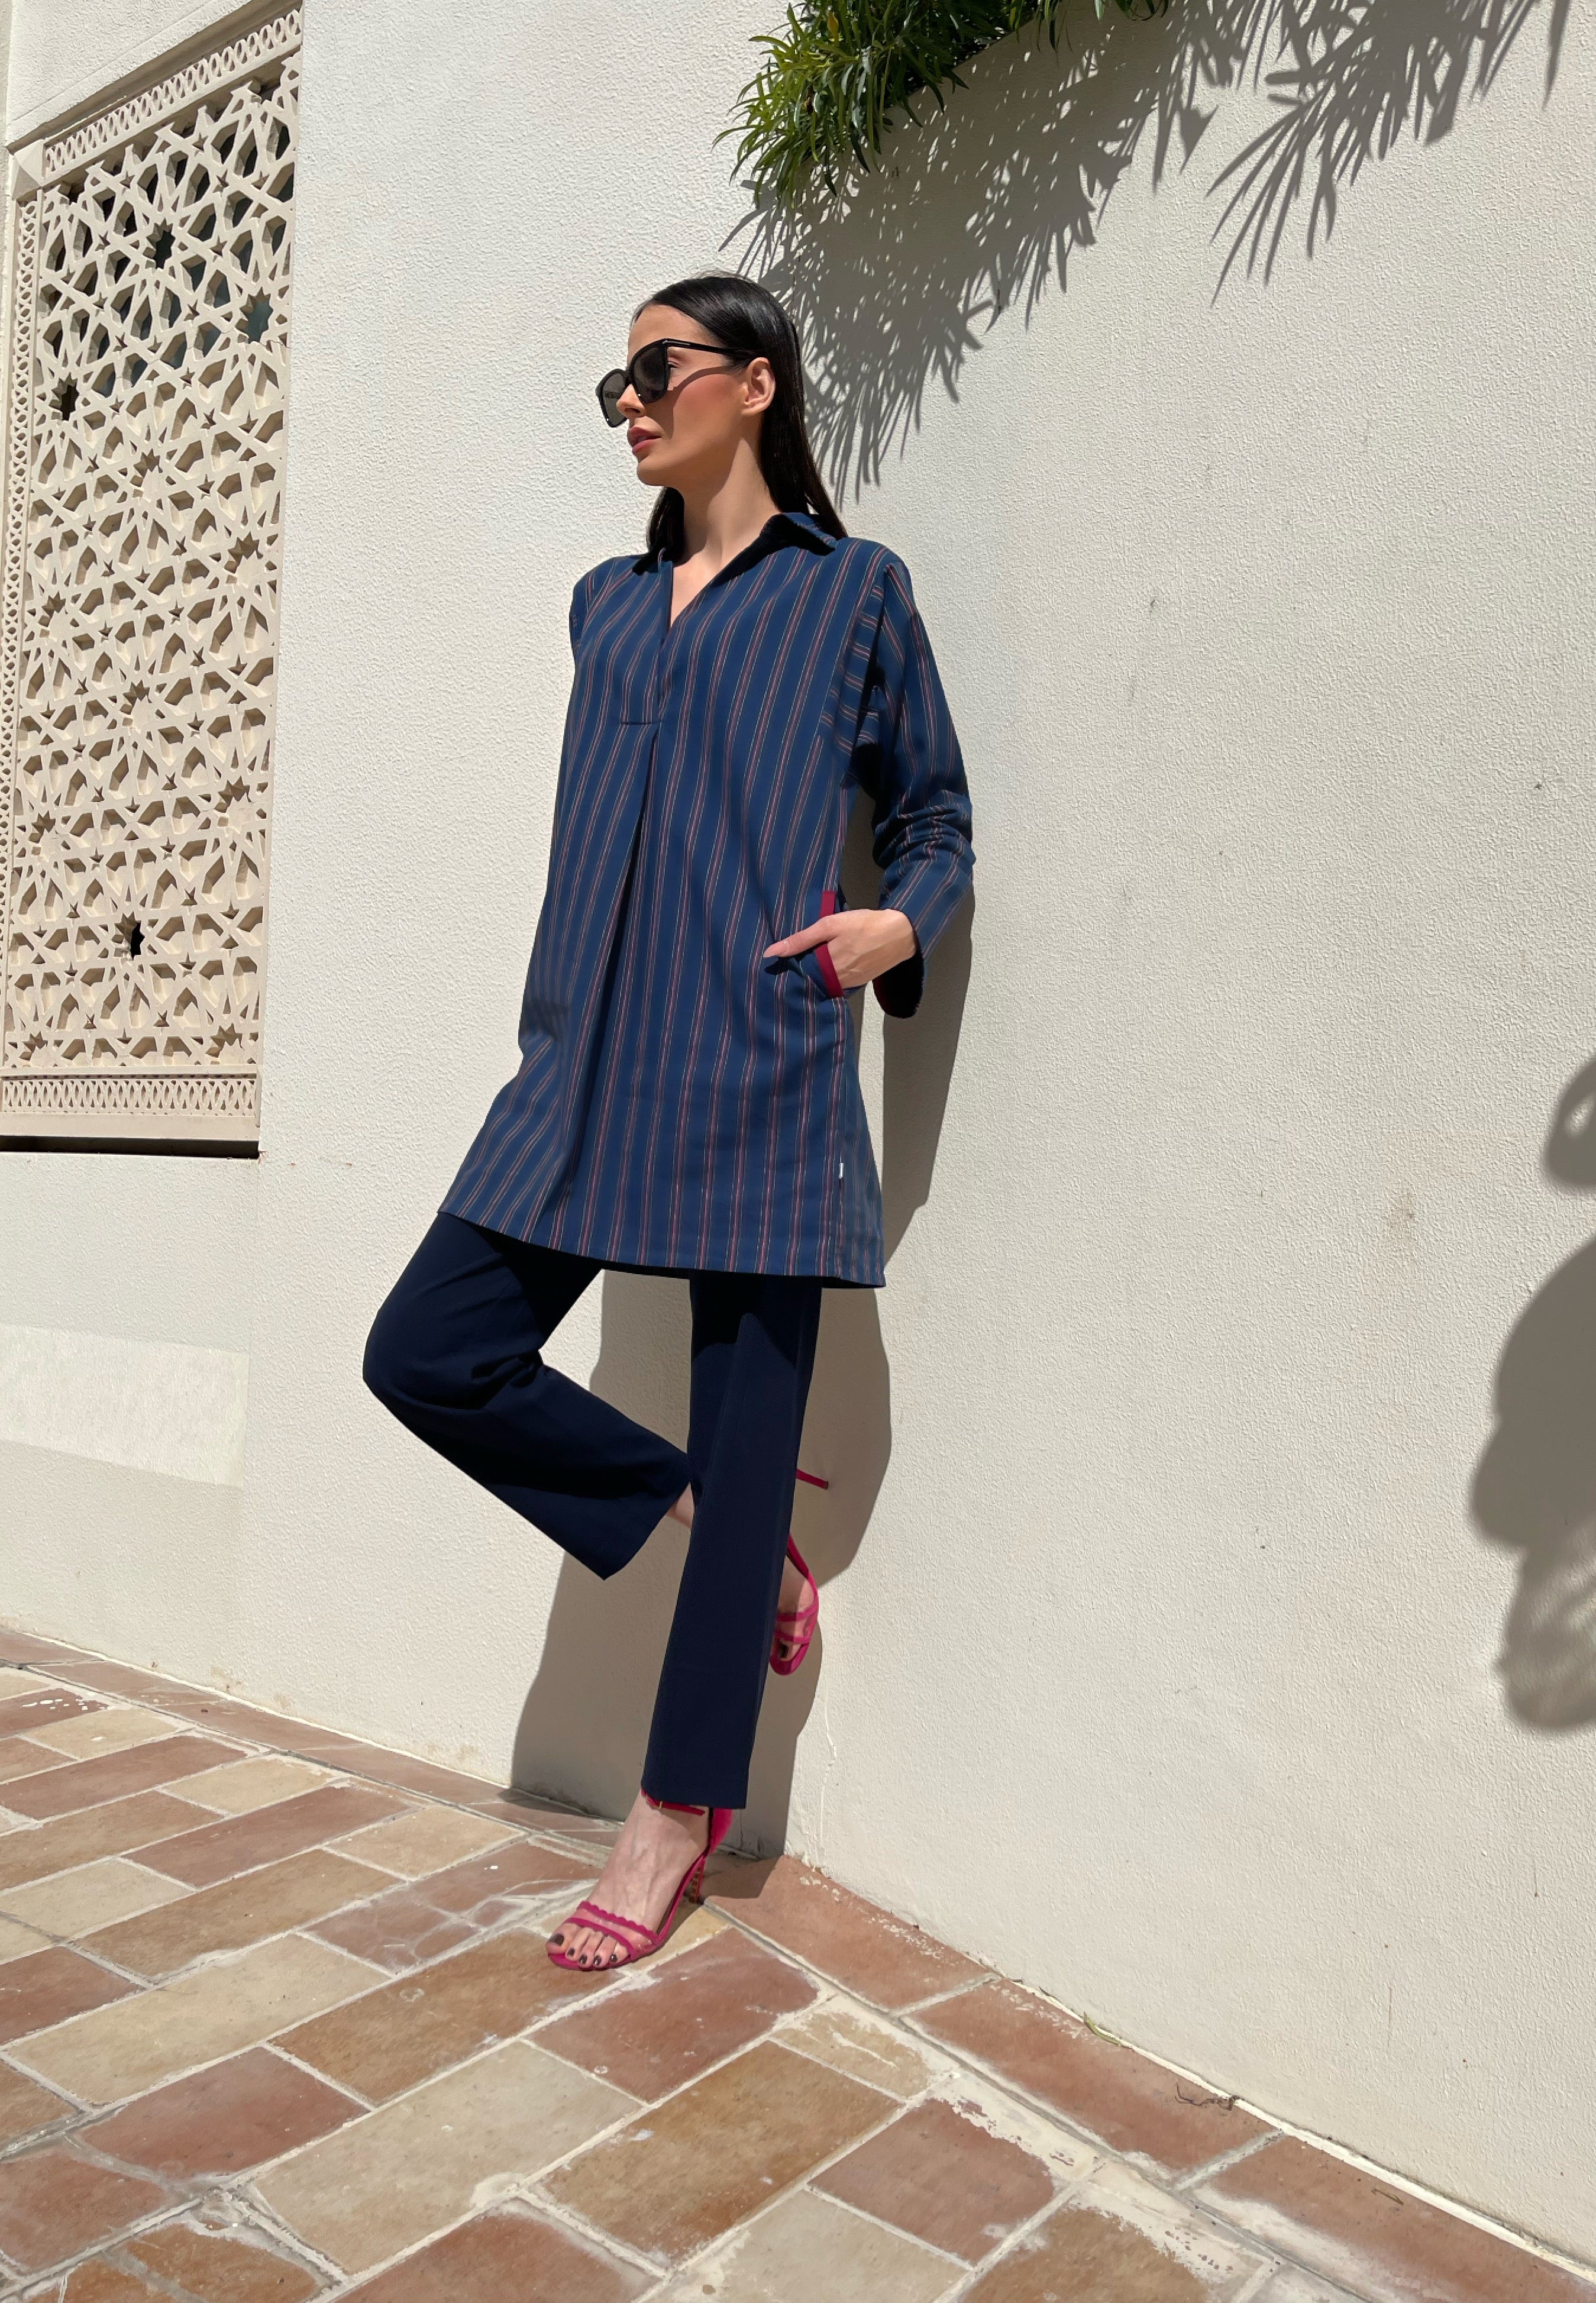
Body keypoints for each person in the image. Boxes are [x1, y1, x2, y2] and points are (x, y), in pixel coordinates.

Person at [362, 270, 975, 1972]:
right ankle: (715, 1531)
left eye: (656, 369)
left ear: (756, 384)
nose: (628, 402)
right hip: (577, 1069)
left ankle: (671, 1818)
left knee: (748, 1415)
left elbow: (931, 812)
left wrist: (893, 923)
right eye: (612, 384)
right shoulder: (603, 606)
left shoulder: (853, 594)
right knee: (423, 1351)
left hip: (756, 1063)